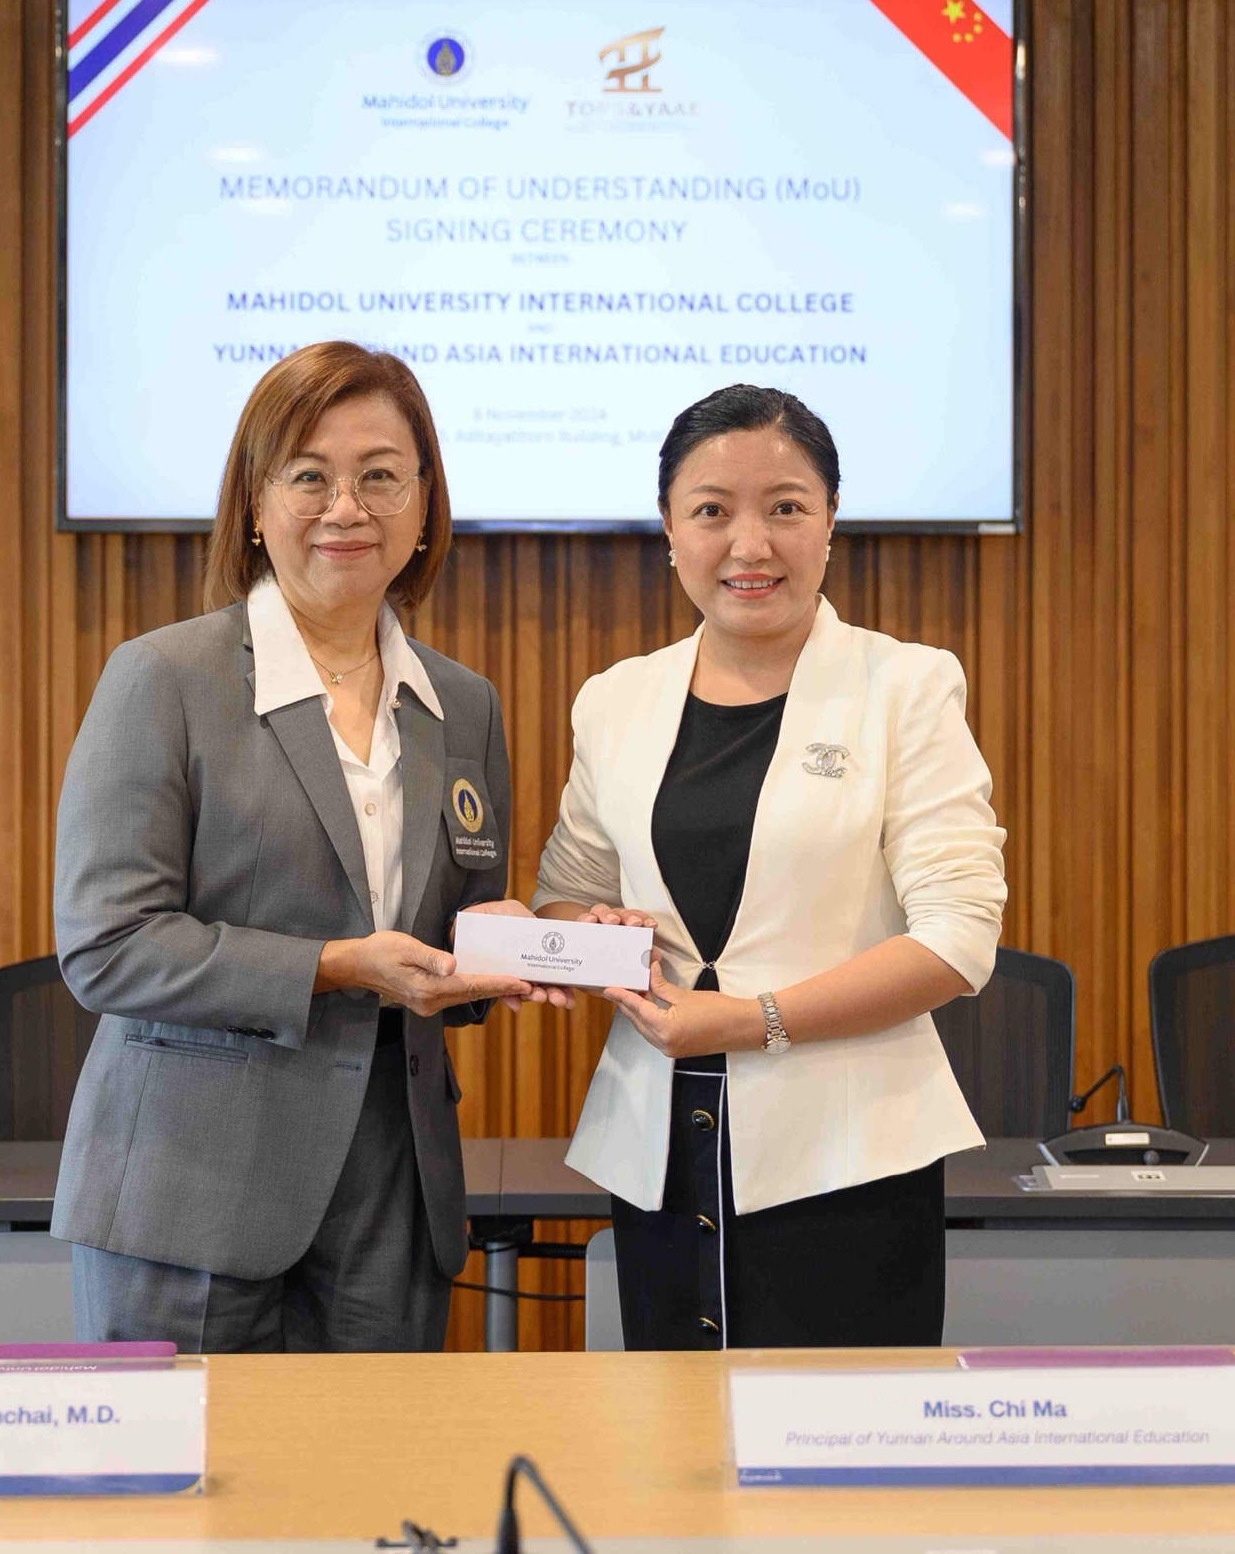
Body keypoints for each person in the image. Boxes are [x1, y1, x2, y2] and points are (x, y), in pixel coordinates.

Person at [51, 341, 534, 1352]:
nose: (345, 508)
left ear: (423, 503)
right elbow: (106, 946)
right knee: (191, 1466)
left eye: (379, 476)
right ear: (256, 503)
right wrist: (338, 965)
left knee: (373, 1460)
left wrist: (501, 950)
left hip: (391, 1196)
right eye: (309, 476)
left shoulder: (464, 704)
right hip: (191, 1192)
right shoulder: (162, 680)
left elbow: (446, 946)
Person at [526, 383, 1007, 1349]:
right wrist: (590, 932)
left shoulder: (905, 686)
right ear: (670, 529)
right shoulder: (616, 700)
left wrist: (751, 1022)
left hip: (849, 1162)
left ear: (831, 522)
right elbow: (565, 896)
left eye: (786, 507)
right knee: (670, 1435)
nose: (751, 545)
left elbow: (958, 940)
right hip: (661, 1152)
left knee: (843, 1442)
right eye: (712, 511)